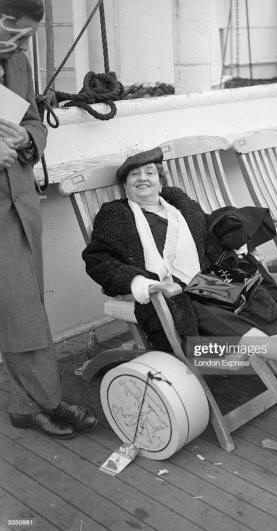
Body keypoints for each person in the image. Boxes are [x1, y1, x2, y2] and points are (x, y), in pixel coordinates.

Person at [83, 147, 277, 407]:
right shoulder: (115, 215)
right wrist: (140, 282)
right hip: (170, 293)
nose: (142, 178)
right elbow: (98, 260)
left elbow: (210, 234)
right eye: (134, 175)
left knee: (252, 298)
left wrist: (236, 244)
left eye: (149, 173)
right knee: (203, 306)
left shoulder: (179, 205)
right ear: (126, 185)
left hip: (205, 280)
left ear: (160, 180)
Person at [0, 0, 97, 438]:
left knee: (27, 306)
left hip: (21, 204)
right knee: (20, 308)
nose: (16, 43)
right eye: (9, 30)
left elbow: (36, 122)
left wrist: (26, 138)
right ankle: (45, 401)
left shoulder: (17, 63)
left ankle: (28, 403)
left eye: (25, 37)